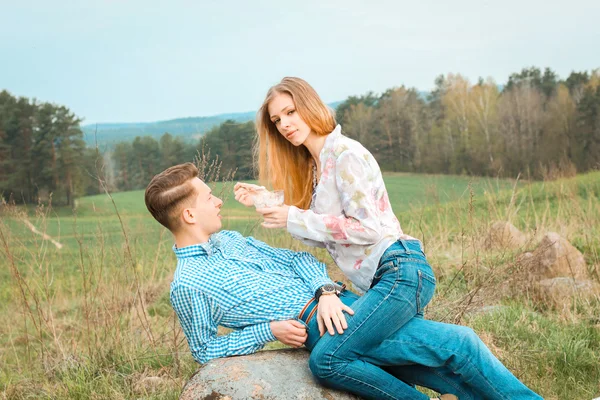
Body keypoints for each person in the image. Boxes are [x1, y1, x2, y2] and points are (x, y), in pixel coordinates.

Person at [145, 162, 542, 400]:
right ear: (189, 216)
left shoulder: (230, 240)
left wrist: (326, 289)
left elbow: (298, 259)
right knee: (457, 344)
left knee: (440, 368)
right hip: (320, 328)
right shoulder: (189, 284)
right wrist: (267, 330)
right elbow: (204, 348)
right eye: (207, 197)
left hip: (344, 305)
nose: (218, 201)